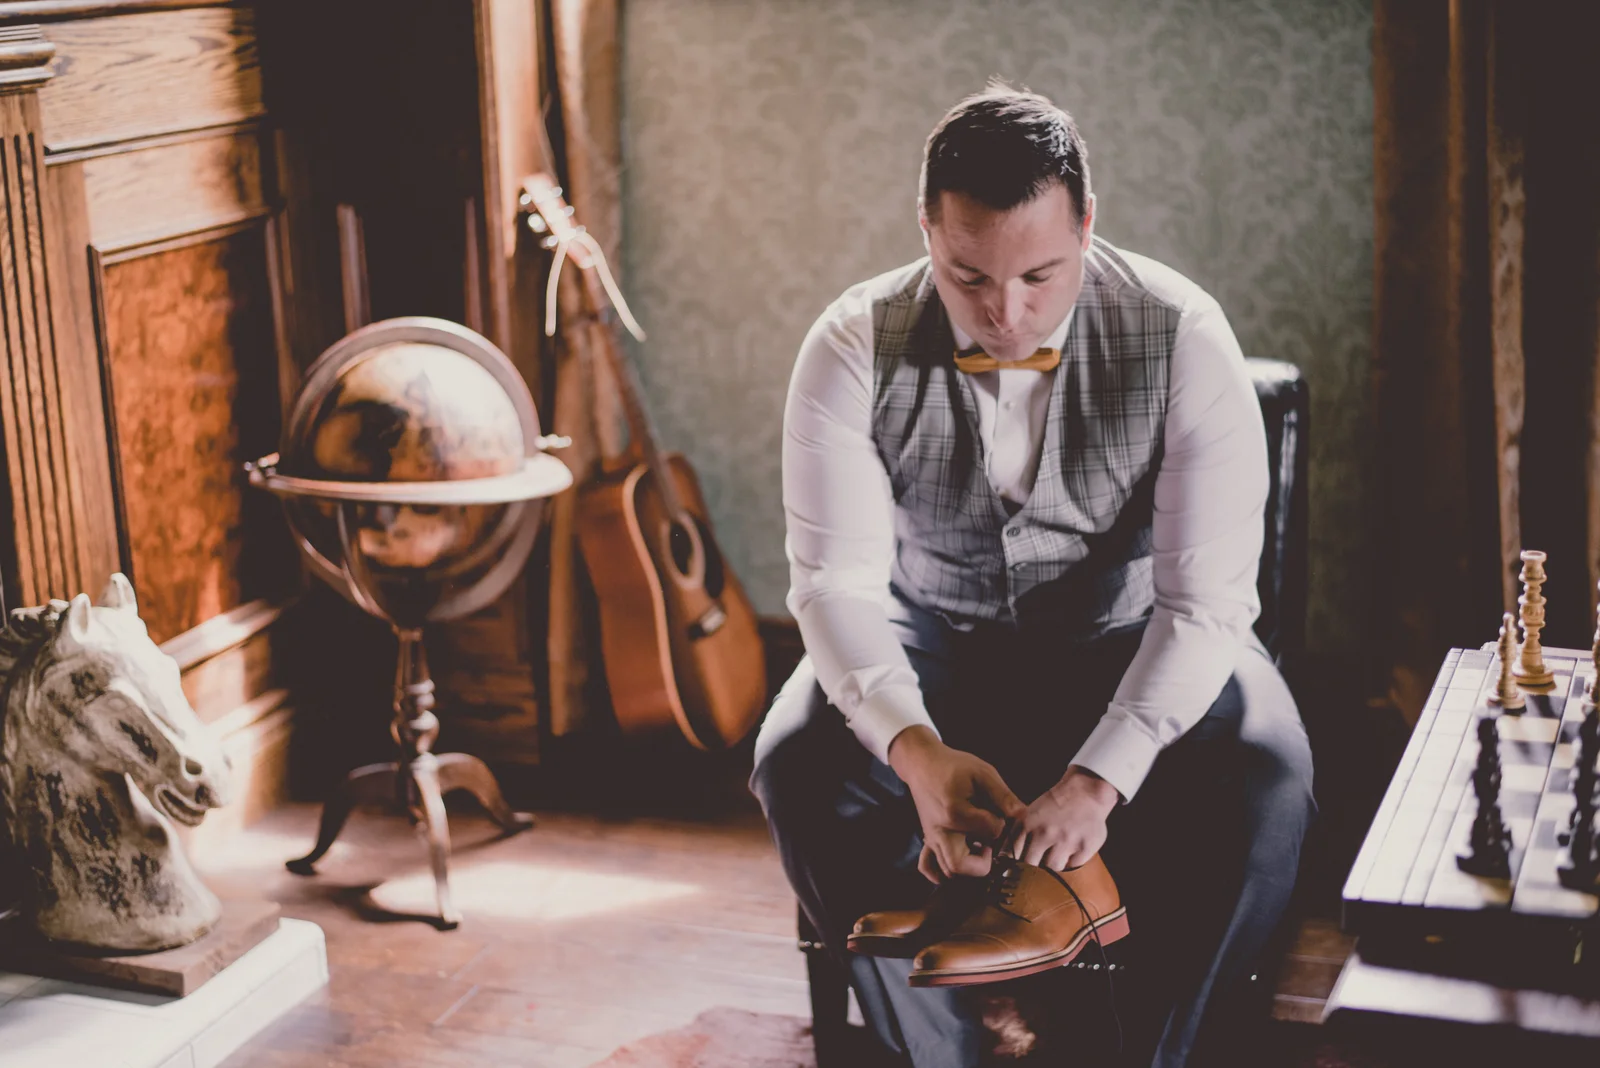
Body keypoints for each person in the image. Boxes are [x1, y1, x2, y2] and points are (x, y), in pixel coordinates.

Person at [749, 81, 1315, 1068]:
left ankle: (1160, 1055)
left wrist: (1099, 780)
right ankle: (944, 1052)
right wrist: (914, 752)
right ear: (925, 228)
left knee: (1270, 775)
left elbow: (1205, 602)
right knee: (793, 762)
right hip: (936, 632)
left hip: (1132, 637)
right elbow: (834, 587)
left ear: (1088, 226)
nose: (1005, 314)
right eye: (968, 276)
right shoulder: (851, 343)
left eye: (1040, 276)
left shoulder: (1182, 334)